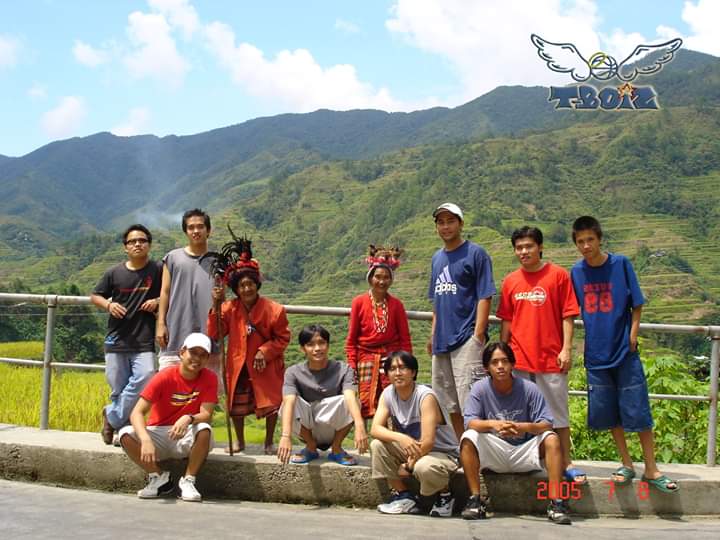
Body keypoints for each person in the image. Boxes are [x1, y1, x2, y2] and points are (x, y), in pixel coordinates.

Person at [570, 216, 678, 493]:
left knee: (638, 409)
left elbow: (637, 303)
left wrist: (633, 334)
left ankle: (652, 468)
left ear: (599, 238)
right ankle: (627, 463)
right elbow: (570, 310)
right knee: (609, 414)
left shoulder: (621, 264)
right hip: (596, 353)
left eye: (590, 240)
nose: (586, 246)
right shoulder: (576, 272)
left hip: (624, 350)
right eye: (580, 242)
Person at [496, 226, 585, 485]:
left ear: (540, 247)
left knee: (558, 414)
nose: (524, 251)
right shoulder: (511, 281)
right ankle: (528, 461)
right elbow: (507, 321)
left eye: (529, 246)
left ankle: (566, 462)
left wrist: (566, 348)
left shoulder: (558, 276)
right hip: (520, 360)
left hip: (550, 358)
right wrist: (503, 354)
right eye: (519, 247)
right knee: (520, 415)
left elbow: (568, 315)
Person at [460, 342, 571, 524]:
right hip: (495, 450)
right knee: (468, 437)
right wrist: (493, 424)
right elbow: (469, 422)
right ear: (487, 367)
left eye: (505, 361)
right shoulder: (480, 389)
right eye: (495, 362)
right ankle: (475, 500)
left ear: (512, 364)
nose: (500, 366)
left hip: (524, 451)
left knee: (552, 439)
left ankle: (556, 502)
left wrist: (522, 427)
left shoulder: (529, 388)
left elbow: (547, 423)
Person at [207, 236, 290, 454]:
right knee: (236, 405)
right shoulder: (228, 308)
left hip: (266, 366)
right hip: (238, 364)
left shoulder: (275, 310)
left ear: (257, 284)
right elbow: (215, 333)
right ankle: (240, 442)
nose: (246, 289)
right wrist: (216, 305)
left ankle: (269, 442)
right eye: (242, 285)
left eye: (250, 284)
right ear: (236, 288)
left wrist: (265, 351)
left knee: (271, 403)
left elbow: (282, 338)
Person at [119, 333, 218, 502]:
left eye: (202, 355)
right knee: (125, 434)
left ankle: (188, 480)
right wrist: (145, 439)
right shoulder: (164, 376)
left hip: (185, 434)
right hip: (159, 432)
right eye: (193, 353)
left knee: (204, 430)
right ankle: (158, 477)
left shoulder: (209, 378)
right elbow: (137, 412)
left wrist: (188, 418)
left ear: (207, 358)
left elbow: (206, 414)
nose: (197, 359)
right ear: (182, 352)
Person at [427, 203, 496, 439]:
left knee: (471, 402)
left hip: (466, 339)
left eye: (450, 221)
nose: (445, 226)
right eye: (441, 222)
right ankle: (462, 447)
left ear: (461, 224)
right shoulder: (437, 258)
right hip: (442, 342)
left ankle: (478, 451)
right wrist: (433, 335)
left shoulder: (476, 253)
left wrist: (478, 335)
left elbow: (485, 295)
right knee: (449, 403)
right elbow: (436, 301)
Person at [90, 224, 161, 445]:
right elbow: (95, 295)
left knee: (147, 375)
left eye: (142, 240)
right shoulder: (114, 272)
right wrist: (108, 306)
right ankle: (122, 432)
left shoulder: (158, 270)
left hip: (144, 339)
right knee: (118, 387)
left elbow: (170, 293)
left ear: (149, 244)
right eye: (132, 241)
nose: (137, 244)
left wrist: (157, 301)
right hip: (116, 339)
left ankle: (110, 416)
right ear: (125, 247)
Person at [371, 351, 459, 517]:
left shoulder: (425, 396)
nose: (397, 373)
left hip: (441, 452)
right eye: (392, 369)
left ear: (413, 372)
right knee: (377, 445)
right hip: (413, 449)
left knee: (424, 466)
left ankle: (445, 496)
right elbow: (375, 429)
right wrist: (400, 437)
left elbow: (428, 442)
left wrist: (409, 466)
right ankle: (404, 495)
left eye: (402, 368)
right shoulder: (389, 394)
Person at [277, 325, 368, 466]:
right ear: (303, 349)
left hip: (332, 425)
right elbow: (289, 402)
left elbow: (350, 396)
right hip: (307, 426)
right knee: (286, 405)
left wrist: (360, 425)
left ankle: (337, 449)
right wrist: (285, 436)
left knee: (353, 401)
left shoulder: (344, 370)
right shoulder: (293, 372)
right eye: (310, 344)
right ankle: (310, 446)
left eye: (321, 343)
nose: (317, 348)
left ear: (328, 345)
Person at [346, 245, 412, 418]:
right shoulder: (359, 303)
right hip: (365, 357)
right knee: (364, 402)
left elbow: (405, 339)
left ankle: (389, 439)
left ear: (391, 280)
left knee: (393, 402)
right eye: (378, 277)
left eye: (386, 277)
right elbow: (352, 340)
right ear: (370, 278)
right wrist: (352, 364)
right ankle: (363, 440)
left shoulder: (396, 305)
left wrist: (407, 362)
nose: (381, 281)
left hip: (391, 357)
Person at [156, 209, 216, 372]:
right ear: (185, 231)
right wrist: (161, 324)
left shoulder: (218, 262)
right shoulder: (172, 258)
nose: (196, 231)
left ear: (208, 230)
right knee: (168, 389)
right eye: (191, 227)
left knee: (207, 391)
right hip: (176, 333)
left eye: (200, 226)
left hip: (209, 336)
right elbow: (165, 292)